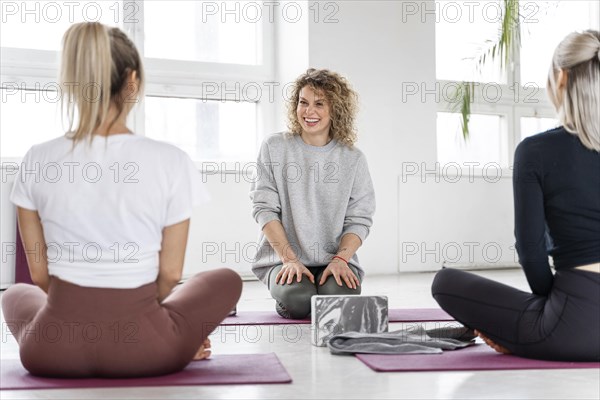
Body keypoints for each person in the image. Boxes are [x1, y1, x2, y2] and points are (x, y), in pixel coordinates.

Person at [1, 22, 242, 378]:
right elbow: (170, 273)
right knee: (227, 279)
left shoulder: (37, 158)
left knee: (13, 294)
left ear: (72, 82)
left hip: (51, 351)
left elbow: (38, 274)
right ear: (133, 81)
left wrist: (84, 313)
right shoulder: (170, 160)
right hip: (147, 350)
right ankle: (181, 339)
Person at [431, 30, 600, 361]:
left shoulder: (535, 151)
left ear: (561, 77)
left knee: (445, 281)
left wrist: (550, 305)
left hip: (571, 330)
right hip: (574, 318)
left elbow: (530, 251)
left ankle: (525, 333)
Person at [250, 68, 376, 319]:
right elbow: (264, 208)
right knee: (299, 301)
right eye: (303, 102)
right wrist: (289, 259)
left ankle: (325, 282)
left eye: (319, 104)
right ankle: (292, 294)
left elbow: (359, 219)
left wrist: (341, 260)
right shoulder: (274, 147)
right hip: (282, 259)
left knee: (337, 300)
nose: (309, 111)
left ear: (335, 109)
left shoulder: (353, 159)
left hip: (335, 259)